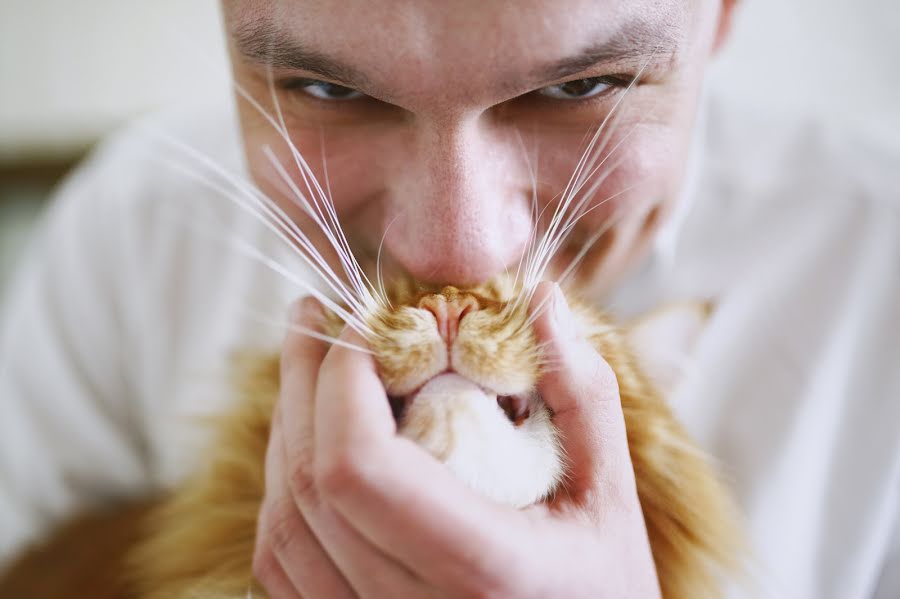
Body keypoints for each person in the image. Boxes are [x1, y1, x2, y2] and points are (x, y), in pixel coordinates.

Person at [1, 0, 898, 597]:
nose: (453, 251)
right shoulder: (135, 225)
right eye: (328, 88)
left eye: (575, 87)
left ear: (722, 14)